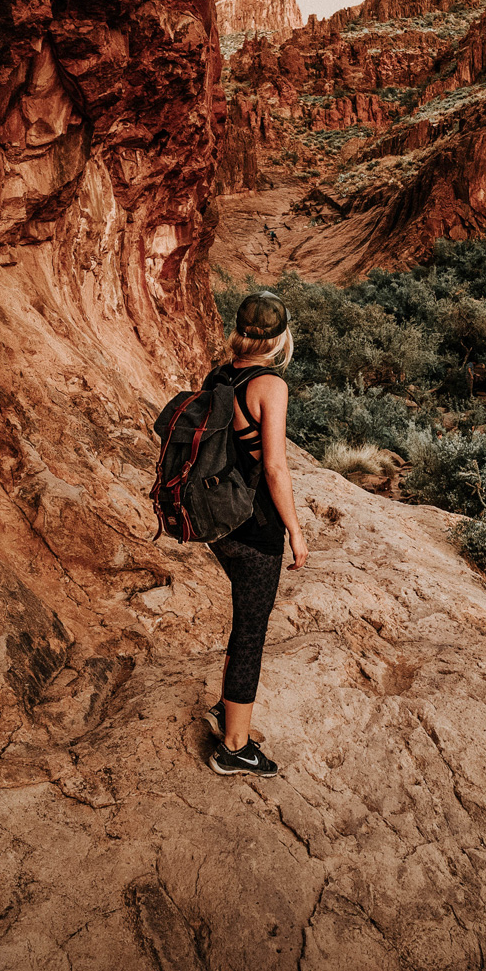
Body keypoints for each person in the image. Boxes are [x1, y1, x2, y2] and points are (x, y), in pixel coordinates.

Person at [203, 290, 308, 777]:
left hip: (220, 523)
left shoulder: (219, 373)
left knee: (244, 623)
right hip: (255, 527)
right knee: (250, 633)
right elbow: (274, 466)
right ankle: (235, 746)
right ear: (279, 336)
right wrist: (294, 529)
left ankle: (228, 710)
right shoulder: (270, 385)